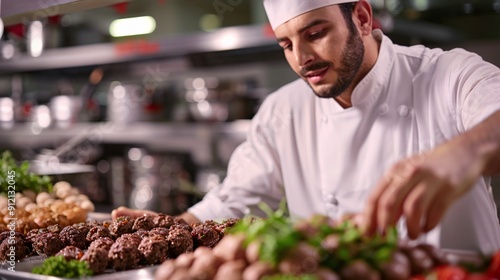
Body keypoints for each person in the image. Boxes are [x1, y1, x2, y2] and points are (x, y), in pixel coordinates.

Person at [113, 0, 500, 254]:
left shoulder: (445, 74)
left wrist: (464, 152)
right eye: (286, 44)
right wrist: (175, 229)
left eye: (315, 34)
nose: (302, 58)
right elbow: (235, 199)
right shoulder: (284, 109)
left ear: (362, 18)